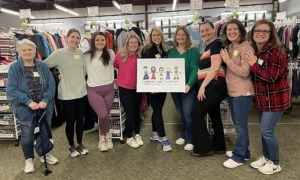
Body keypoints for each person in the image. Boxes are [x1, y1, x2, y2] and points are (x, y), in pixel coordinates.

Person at [245, 19, 291, 175]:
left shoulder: (275, 51)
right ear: (252, 33)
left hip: (275, 99)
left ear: (271, 34)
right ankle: (266, 156)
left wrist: (253, 63)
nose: (261, 34)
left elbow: (270, 76)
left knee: (267, 131)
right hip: (262, 99)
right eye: (257, 31)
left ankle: (275, 162)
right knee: (264, 130)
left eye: (265, 31)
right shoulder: (256, 50)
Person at [6, 39, 57, 173]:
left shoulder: (42, 66)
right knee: (28, 136)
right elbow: (11, 90)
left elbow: (51, 84)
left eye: (30, 49)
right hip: (25, 109)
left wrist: (45, 100)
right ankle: (29, 159)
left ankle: (44, 153)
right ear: (19, 52)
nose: (27, 52)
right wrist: (28, 102)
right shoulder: (14, 67)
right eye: (24, 50)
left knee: (44, 133)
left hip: (44, 107)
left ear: (35, 51)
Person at [44, 28, 88, 157]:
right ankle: (71, 146)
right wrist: (56, 75)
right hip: (67, 94)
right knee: (71, 121)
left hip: (81, 92)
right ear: (67, 38)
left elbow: (83, 71)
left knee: (80, 120)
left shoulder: (80, 52)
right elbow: (44, 65)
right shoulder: (59, 53)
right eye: (72, 37)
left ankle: (80, 143)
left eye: (77, 37)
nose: (75, 40)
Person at [219, 19, 254, 168]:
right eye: (229, 30)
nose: (231, 32)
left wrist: (227, 60)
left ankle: (239, 157)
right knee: (239, 124)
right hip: (232, 92)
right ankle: (244, 153)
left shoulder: (246, 47)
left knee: (240, 126)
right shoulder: (232, 46)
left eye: (234, 29)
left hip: (243, 92)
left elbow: (245, 72)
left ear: (241, 31)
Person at [191, 21, 227, 157]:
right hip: (213, 86)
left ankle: (203, 148)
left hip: (214, 86)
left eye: (207, 30)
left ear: (213, 29)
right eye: (202, 31)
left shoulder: (216, 44)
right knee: (215, 115)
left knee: (196, 113)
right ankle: (219, 146)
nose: (205, 33)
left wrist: (203, 87)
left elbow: (215, 67)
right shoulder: (210, 46)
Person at [167, 26, 200, 151]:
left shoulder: (193, 50)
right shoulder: (171, 52)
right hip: (175, 88)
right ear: (175, 37)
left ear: (187, 37)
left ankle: (191, 139)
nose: (180, 37)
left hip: (188, 88)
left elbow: (194, 69)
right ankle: (184, 134)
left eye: (183, 35)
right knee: (181, 112)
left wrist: (189, 84)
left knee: (188, 113)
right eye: (178, 35)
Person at [83, 32, 116, 152]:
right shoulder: (86, 55)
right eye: (97, 40)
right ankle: (103, 137)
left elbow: (117, 65)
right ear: (93, 41)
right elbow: (80, 70)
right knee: (102, 115)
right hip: (93, 90)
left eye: (102, 40)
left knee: (105, 115)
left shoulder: (111, 53)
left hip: (109, 89)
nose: (100, 42)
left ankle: (106, 136)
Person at [141, 27, 172, 152]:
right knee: (158, 110)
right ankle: (164, 138)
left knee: (157, 109)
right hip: (151, 87)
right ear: (150, 37)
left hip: (162, 86)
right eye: (154, 35)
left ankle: (154, 134)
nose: (156, 37)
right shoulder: (147, 50)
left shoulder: (164, 49)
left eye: (158, 35)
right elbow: (145, 68)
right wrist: (151, 86)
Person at [114, 34, 143, 148]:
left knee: (137, 112)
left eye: (135, 42)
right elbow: (115, 65)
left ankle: (137, 134)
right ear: (127, 44)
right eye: (131, 42)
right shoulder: (120, 55)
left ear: (138, 44)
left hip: (138, 87)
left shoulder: (140, 55)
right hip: (125, 88)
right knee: (130, 112)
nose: (133, 44)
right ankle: (129, 137)